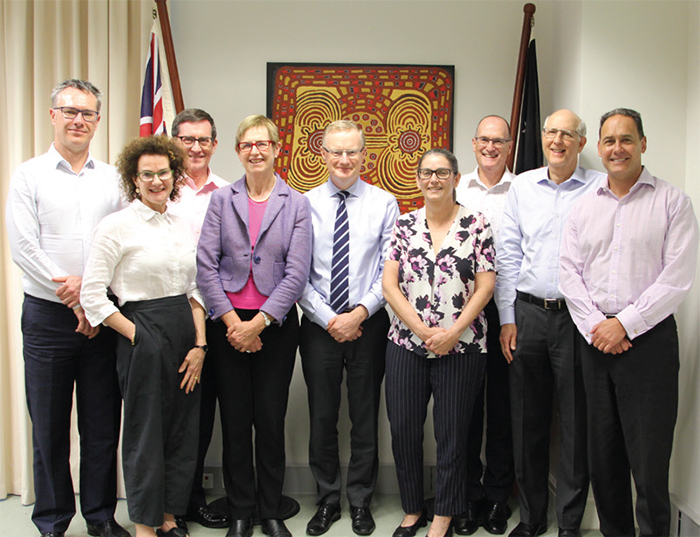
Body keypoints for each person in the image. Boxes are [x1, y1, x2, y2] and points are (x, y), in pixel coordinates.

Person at [559, 108, 698, 537]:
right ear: (598, 148)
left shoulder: (672, 202)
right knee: (604, 461)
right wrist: (600, 327)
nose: (617, 148)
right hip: (594, 343)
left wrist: (625, 324)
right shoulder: (582, 207)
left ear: (642, 143)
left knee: (650, 463)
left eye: (626, 139)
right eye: (609, 141)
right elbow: (569, 273)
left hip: (650, 345)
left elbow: (677, 278)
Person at [6, 79, 129, 537]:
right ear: (53, 115)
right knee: (50, 427)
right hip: (48, 318)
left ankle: (99, 517)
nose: (79, 120)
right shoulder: (29, 175)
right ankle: (54, 521)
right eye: (70, 111)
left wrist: (92, 297)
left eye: (88, 114)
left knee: (101, 426)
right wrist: (73, 292)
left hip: (103, 316)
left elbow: (122, 242)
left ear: (98, 121)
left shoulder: (113, 179)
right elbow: (24, 246)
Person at [80, 135, 206, 537]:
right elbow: (92, 294)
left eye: (163, 173)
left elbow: (194, 290)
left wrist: (200, 344)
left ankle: (169, 514)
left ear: (175, 175)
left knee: (181, 429)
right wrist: (139, 337)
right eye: (147, 174)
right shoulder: (116, 226)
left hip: (186, 333)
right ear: (134, 179)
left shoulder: (181, 224)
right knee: (144, 431)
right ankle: (144, 524)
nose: (156, 181)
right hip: (141, 331)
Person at [196, 115, 312, 537]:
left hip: (275, 328)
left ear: (278, 149)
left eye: (264, 144)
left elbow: (297, 273)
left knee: (269, 419)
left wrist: (258, 324)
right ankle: (241, 510)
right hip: (227, 326)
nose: (256, 151)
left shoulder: (295, 203)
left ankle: (270, 511)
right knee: (235, 420)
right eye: (247, 144)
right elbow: (205, 267)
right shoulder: (220, 200)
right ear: (238, 150)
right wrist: (233, 322)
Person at [496, 109, 605, 537]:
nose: (558, 140)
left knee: (576, 425)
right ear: (542, 138)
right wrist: (507, 318)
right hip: (527, 315)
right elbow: (508, 254)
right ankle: (532, 517)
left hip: (578, 320)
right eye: (551, 132)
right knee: (528, 421)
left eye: (568, 134)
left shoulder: (599, 188)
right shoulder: (522, 186)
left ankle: (571, 525)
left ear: (581, 143)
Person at [383, 148, 496, 537]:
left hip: (461, 347)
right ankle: (413, 509)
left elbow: (486, 286)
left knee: (452, 435)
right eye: (427, 173)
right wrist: (420, 330)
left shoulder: (477, 224)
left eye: (442, 172)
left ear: (455, 177)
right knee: (404, 429)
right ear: (417, 179)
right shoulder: (403, 224)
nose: (434, 179)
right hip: (405, 345)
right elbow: (389, 285)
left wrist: (452, 332)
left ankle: (445, 515)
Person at [298, 120, 399, 536]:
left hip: (369, 325)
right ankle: (326, 500)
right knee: (321, 418)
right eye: (336, 151)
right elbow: (295, 272)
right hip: (318, 326)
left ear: (364, 155)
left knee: (364, 417)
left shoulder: (384, 202)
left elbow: (390, 267)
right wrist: (328, 318)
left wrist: (360, 312)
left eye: (351, 152)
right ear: (322, 154)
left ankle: (360, 501)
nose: (344, 159)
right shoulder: (301, 204)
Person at [169, 108, 231, 531]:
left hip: (212, 316)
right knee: (166, 414)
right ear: (174, 140)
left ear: (214, 144)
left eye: (203, 140)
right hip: (164, 315)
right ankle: (163, 504)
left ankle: (191, 500)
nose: (195, 147)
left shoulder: (227, 193)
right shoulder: (154, 187)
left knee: (201, 415)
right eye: (187, 139)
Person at [454, 115, 515, 536]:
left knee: (504, 406)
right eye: (484, 140)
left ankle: (497, 497)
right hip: (461, 313)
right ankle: (468, 495)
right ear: (474, 144)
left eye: (499, 141)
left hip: (507, 312)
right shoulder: (456, 188)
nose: (491, 147)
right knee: (466, 405)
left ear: (509, 145)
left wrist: (509, 317)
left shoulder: (524, 190)